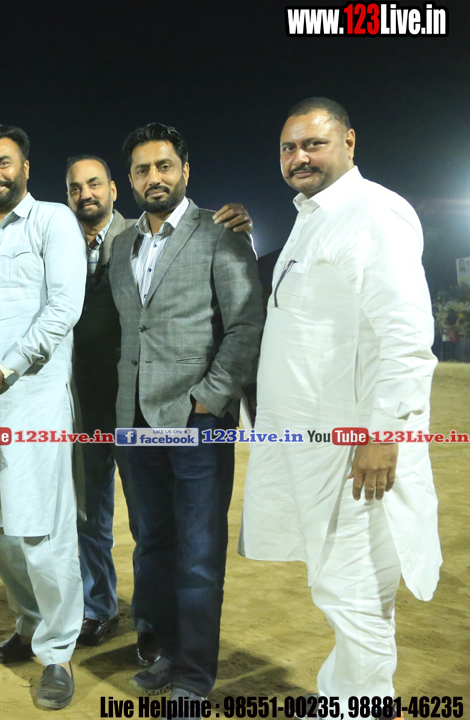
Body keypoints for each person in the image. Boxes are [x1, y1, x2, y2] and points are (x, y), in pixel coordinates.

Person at [241, 98, 440, 702]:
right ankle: (345, 702)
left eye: (313, 144)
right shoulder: (313, 218)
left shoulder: (374, 213)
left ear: (349, 143)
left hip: (357, 449)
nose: (299, 157)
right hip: (315, 446)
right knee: (339, 587)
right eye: (288, 148)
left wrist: (383, 435)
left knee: (355, 592)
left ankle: (369, 709)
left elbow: (407, 338)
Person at [64, 156, 253, 657]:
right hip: (96, 408)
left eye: (94, 184)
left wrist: (209, 399)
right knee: (102, 525)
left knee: (167, 535)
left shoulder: (157, 234)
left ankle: (168, 644)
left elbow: (240, 320)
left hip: (168, 411)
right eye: (75, 187)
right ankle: (113, 618)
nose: (85, 194)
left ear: (114, 188)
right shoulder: (65, 243)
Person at [108, 123, 262, 705]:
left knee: (198, 553)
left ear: (185, 171)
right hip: (133, 420)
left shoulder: (221, 233)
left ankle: (194, 678)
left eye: (164, 166)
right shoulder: (122, 245)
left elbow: (245, 324)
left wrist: (209, 399)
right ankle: (165, 650)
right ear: (130, 180)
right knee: (152, 543)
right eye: (143, 169)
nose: (154, 178)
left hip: (197, 422)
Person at [0, 124, 85, 710]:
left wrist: (5, 370)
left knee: (41, 529)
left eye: (3, 162)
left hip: (33, 402)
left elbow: (64, 308)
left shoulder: (53, 221)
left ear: (25, 168)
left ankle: (57, 654)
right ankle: (28, 624)